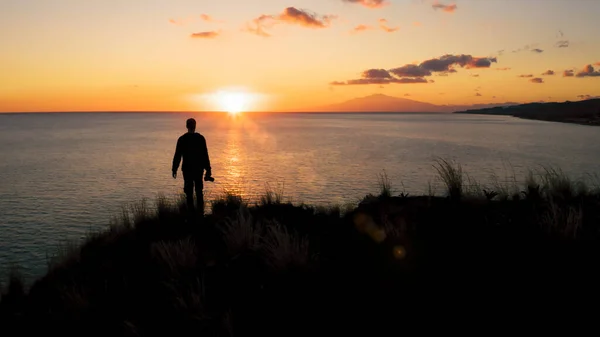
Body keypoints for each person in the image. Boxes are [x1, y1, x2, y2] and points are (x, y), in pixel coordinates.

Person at [172, 118, 213, 215]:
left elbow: (177, 155)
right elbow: (205, 155)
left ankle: (191, 214)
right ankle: (200, 214)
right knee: (199, 192)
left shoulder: (182, 139)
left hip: (187, 170)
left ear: (187, 126)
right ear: (195, 126)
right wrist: (208, 170)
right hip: (198, 169)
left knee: (189, 193)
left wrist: (174, 169)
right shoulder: (200, 138)